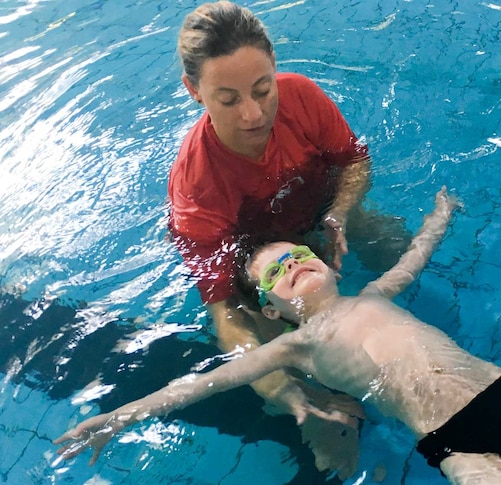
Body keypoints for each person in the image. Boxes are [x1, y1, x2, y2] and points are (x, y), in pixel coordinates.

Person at [56, 188, 501, 484]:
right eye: (274, 272)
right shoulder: (291, 346)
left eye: (296, 254)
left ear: (326, 260)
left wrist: (440, 216)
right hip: (454, 443)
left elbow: (416, 257)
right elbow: (203, 383)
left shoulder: (374, 293)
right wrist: (123, 416)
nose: (291, 264)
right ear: (272, 311)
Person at [168, 1, 402, 477]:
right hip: (255, 259)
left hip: (318, 210)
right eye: (229, 99)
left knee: (395, 247)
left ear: (275, 68)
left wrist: (339, 213)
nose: (254, 114)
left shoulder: (302, 97)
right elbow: (225, 312)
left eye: (262, 89)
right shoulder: (196, 187)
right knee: (301, 375)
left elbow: (354, 163)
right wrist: (280, 387)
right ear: (194, 91)